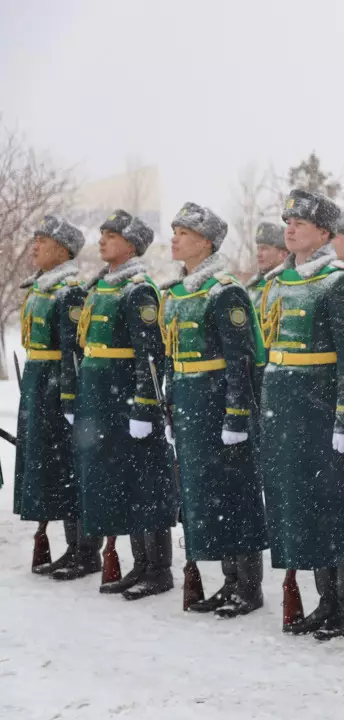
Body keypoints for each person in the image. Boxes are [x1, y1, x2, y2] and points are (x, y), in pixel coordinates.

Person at [259, 189, 344, 640]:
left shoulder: (342, 282)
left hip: (323, 412)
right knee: (306, 507)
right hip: (288, 414)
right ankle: (326, 600)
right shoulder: (279, 281)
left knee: (340, 509)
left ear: (324, 233)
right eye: (287, 220)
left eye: (300, 223)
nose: (289, 228)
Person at [160, 203, 268, 617]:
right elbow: (170, 356)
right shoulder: (178, 292)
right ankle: (228, 580)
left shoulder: (225, 291)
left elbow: (240, 359)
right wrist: (170, 408)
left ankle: (248, 586)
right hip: (189, 404)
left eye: (183, 232)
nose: (174, 239)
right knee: (206, 495)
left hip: (218, 403)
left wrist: (237, 416)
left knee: (234, 493)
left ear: (205, 241)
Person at [69, 210, 179, 599]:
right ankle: (139, 565)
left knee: (145, 483)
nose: (101, 241)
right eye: (101, 233)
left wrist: (145, 406)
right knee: (122, 484)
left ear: (130, 245)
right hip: (103, 401)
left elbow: (151, 356)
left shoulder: (138, 290)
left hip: (127, 403)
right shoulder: (103, 288)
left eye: (110, 235)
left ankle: (159, 569)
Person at [17, 216, 90, 579]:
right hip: (37, 381)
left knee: (68, 469)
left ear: (62, 250)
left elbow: (71, 351)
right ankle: (70, 545)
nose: (34, 247)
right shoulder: (41, 288)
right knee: (48, 468)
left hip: (55, 384)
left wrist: (68, 397)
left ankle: (84, 549)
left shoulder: (70, 289)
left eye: (41, 241)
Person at [246, 221, 287, 313]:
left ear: (283, 254)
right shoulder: (252, 286)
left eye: (264, 248)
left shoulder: (289, 284)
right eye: (258, 248)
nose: (258, 254)